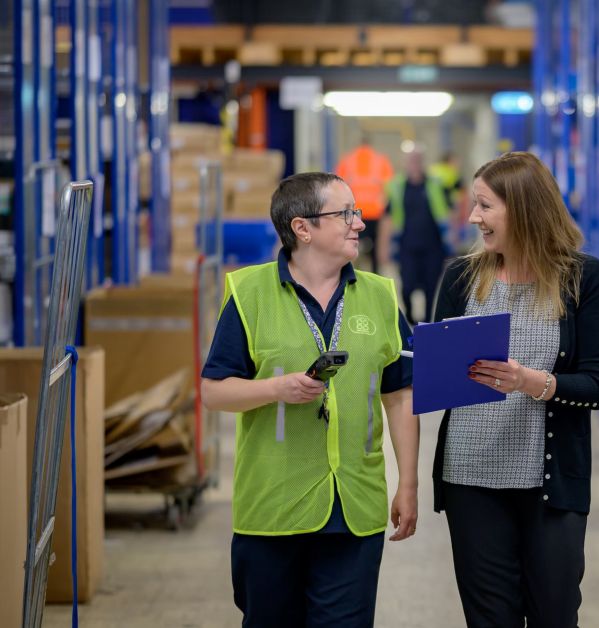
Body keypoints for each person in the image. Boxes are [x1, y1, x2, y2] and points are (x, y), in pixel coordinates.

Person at [200, 172, 419, 628]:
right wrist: (274, 389)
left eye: (356, 213)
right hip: (273, 509)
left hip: (354, 506)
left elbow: (400, 394)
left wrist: (409, 484)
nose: (359, 223)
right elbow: (213, 391)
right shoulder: (250, 294)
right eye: (345, 214)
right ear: (303, 228)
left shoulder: (379, 296)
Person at [431, 151, 599, 628]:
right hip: (471, 477)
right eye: (475, 204)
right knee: (491, 618)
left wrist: (529, 382)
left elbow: (596, 386)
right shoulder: (460, 277)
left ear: (524, 208)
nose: (473, 217)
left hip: (549, 484)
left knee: (555, 613)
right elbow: (438, 378)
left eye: (485, 206)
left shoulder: (583, 278)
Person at [384, 150, 457, 324]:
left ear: (422, 162)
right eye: (411, 160)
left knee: (431, 288)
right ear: (405, 163)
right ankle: (409, 314)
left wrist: (453, 239)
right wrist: (384, 246)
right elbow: (387, 218)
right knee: (407, 286)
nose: (414, 163)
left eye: (418, 160)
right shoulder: (397, 187)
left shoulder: (435, 185)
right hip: (407, 246)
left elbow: (450, 211)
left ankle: (425, 323)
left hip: (433, 246)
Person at [334, 137, 394, 274]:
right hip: (375, 211)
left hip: (354, 212)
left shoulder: (347, 159)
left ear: (359, 144)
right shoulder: (380, 160)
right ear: (370, 145)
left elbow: (337, 184)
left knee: (352, 244)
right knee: (374, 247)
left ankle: (352, 274)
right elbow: (390, 185)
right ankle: (374, 274)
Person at [428, 152, 470, 240]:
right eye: (455, 161)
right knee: (451, 233)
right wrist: (453, 207)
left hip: (432, 210)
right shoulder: (449, 172)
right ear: (449, 161)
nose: (457, 164)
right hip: (446, 208)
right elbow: (453, 190)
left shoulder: (432, 170)